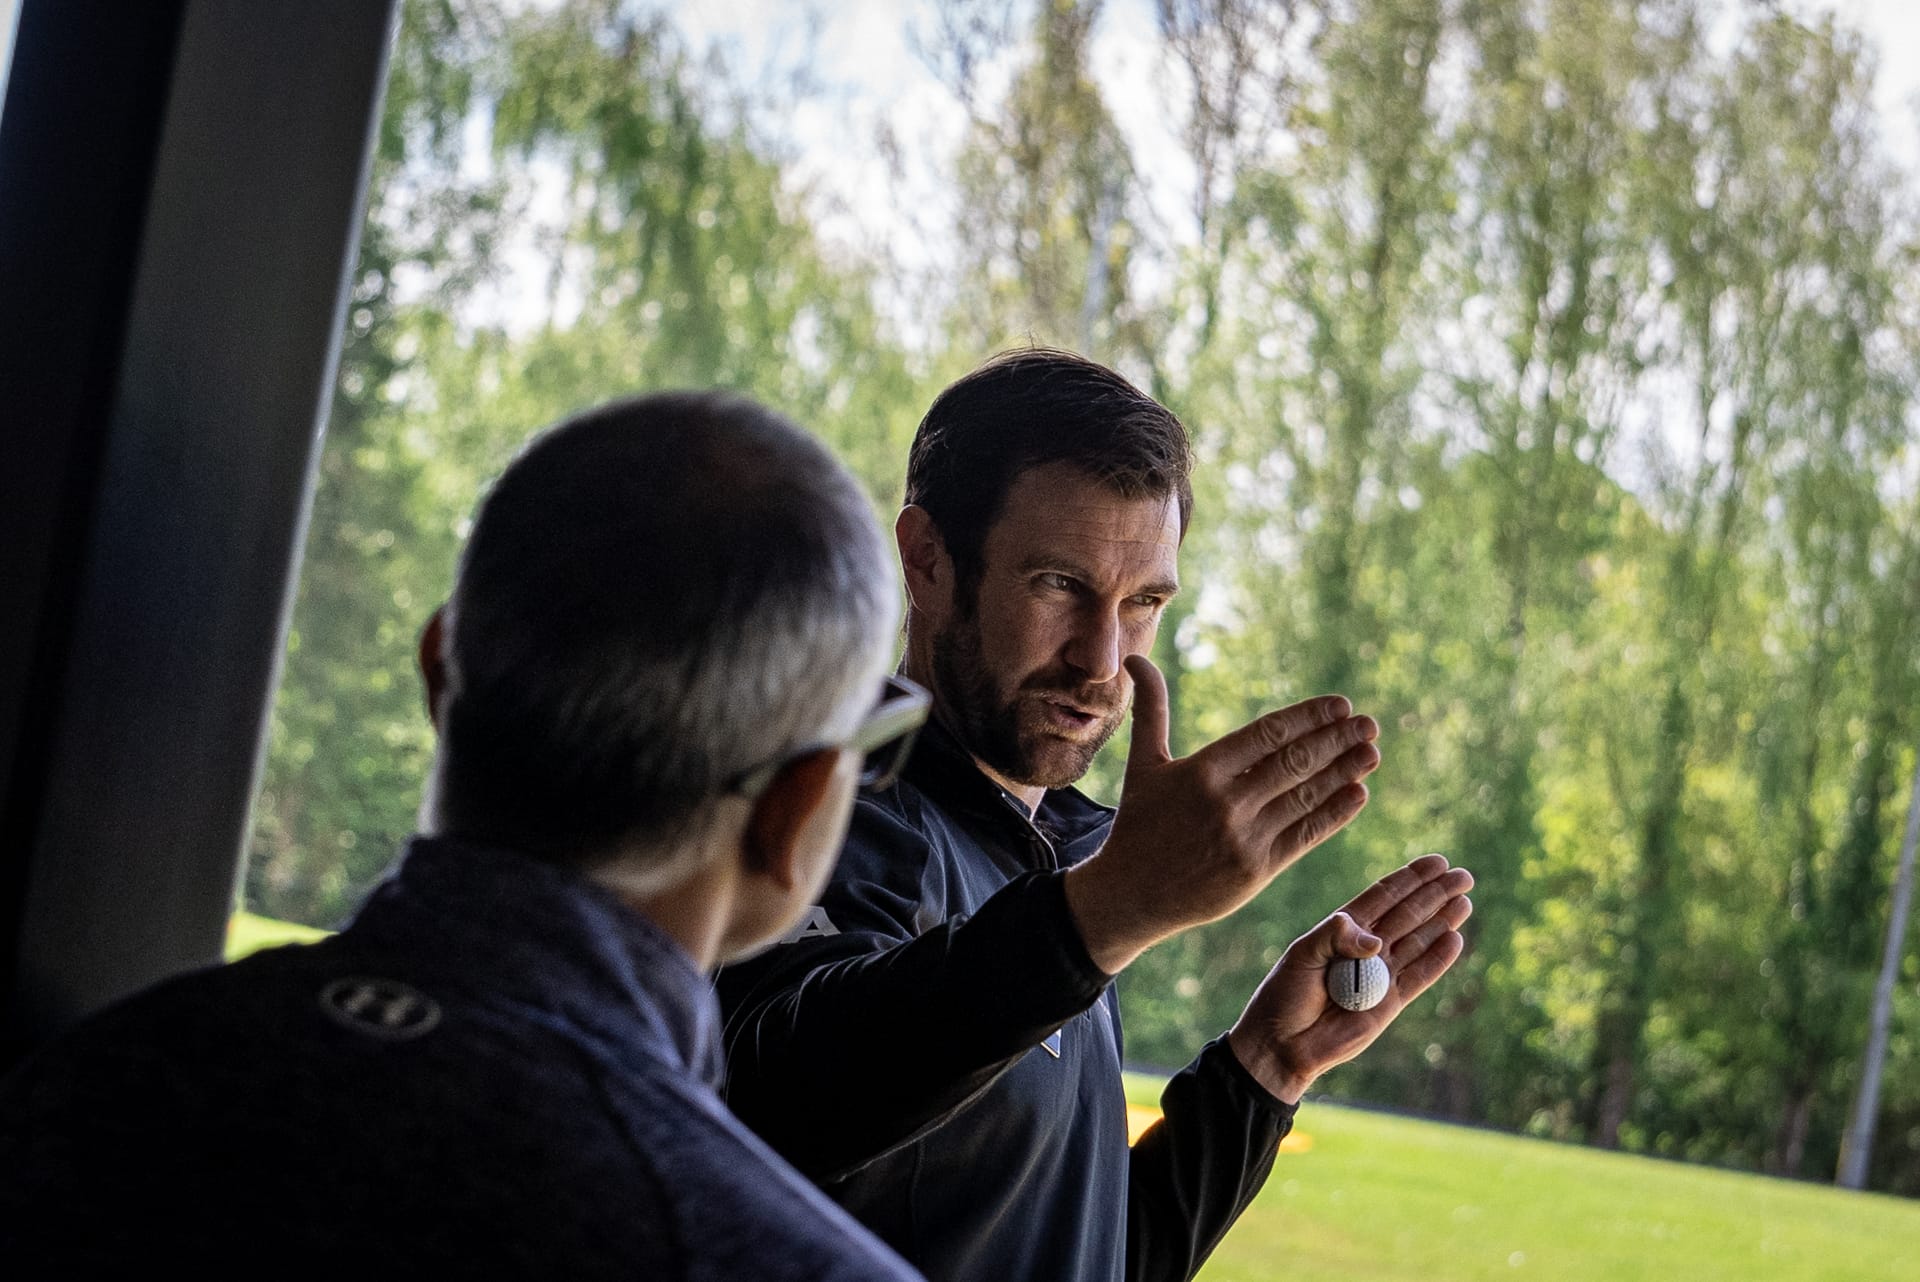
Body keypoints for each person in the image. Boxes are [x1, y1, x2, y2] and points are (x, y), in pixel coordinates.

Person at [0, 392, 930, 1281]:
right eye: (874, 747)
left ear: (441, 673)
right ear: (796, 807)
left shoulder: (76, 1094)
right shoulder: (764, 1252)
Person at [717, 349, 1475, 1282]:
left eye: (1143, 603)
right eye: (1059, 586)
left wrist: (1263, 1072)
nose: (1101, 659)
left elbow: (1088, 1257)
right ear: (927, 560)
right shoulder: (832, 805)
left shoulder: (1062, 864)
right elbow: (767, 1104)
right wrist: (1107, 912)